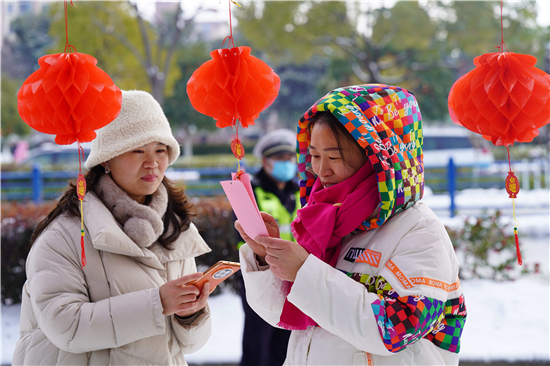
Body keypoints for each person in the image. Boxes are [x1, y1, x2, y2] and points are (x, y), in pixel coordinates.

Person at [236, 84, 467, 365]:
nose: (322, 170)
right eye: (314, 156)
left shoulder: (419, 231)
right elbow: (285, 314)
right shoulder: (328, 222)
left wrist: (305, 273)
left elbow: (396, 330)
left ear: (380, 158)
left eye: (334, 156)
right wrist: (265, 257)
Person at [13, 90, 212, 365]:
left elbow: (189, 345)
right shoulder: (64, 235)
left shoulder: (175, 229)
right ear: (106, 159)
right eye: (137, 150)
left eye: (160, 150)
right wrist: (157, 304)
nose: (152, 162)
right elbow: (65, 327)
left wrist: (189, 314)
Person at [238, 129, 299, 366]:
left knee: (286, 338)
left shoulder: (300, 191)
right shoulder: (251, 190)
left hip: (293, 275)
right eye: (280, 158)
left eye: (289, 158)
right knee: (258, 340)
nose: (286, 163)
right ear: (265, 161)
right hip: (260, 274)